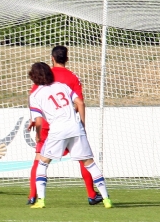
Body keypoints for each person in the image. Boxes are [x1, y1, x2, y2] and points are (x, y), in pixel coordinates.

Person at [28, 62, 112, 209]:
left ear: (33, 76)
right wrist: (82, 124)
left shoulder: (35, 95)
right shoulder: (62, 86)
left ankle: (40, 200)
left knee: (42, 163)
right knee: (90, 164)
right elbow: (79, 102)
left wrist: (39, 135)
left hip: (57, 130)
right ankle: (106, 199)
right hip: (75, 127)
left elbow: (39, 120)